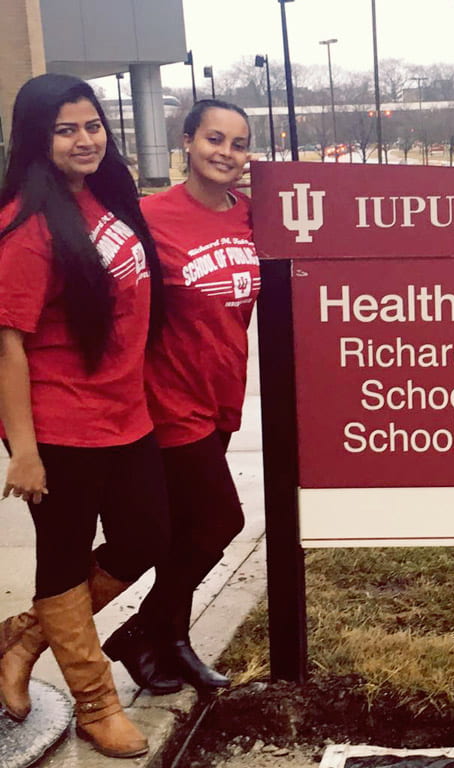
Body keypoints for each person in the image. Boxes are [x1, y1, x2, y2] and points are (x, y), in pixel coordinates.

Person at [0, 73, 166, 758]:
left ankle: (25, 637)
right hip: (61, 428)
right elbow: (6, 344)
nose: (84, 138)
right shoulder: (28, 230)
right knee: (64, 562)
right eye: (66, 129)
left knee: (146, 538)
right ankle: (96, 702)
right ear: (39, 140)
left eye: (92, 124)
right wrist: (25, 450)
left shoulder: (105, 198)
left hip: (126, 417)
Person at [102, 99, 258, 695]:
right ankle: (148, 632)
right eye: (214, 139)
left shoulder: (251, 216)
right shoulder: (148, 218)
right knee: (221, 520)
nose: (226, 153)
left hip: (221, 392)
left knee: (189, 527)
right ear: (187, 143)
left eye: (239, 143)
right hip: (167, 399)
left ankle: (165, 640)